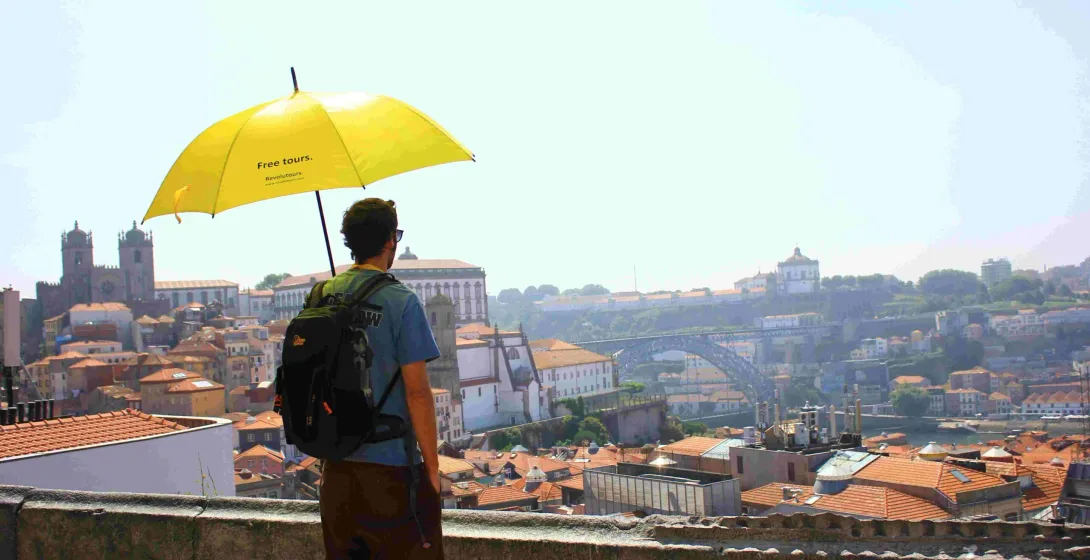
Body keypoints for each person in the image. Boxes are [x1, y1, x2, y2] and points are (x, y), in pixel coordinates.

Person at [318, 198, 443, 559]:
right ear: (390, 241)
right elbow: (418, 393)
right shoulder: (400, 300)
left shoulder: (321, 295)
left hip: (336, 474)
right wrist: (432, 470)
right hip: (390, 474)